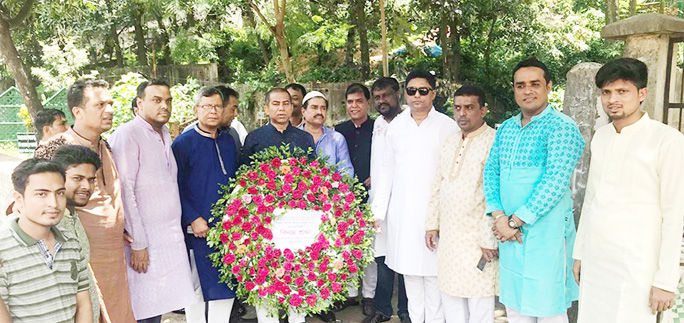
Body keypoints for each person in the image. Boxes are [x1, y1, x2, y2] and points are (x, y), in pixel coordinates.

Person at [572, 58, 684, 323]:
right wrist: (579, 254)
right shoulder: (602, 137)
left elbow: (674, 213)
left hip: (639, 265)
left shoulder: (667, 140)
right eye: (606, 92)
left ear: (642, 93)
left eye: (623, 91)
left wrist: (666, 281)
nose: (613, 99)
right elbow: (591, 201)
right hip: (597, 259)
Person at [483, 58, 584, 323]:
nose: (528, 91)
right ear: (514, 90)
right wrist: (499, 217)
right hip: (510, 235)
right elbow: (491, 173)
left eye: (535, 84)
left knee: (548, 309)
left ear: (549, 86)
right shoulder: (505, 129)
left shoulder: (562, 127)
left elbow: (555, 181)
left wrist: (515, 221)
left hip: (545, 235)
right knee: (515, 308)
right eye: (521, 85)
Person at [34, 78, 137, 322]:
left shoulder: (105, 146)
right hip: (79, 260)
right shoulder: (55, 148)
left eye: (110, 103)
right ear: (77, 112)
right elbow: (27, 198)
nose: (110, 110)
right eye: (100, 105)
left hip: (113, 258)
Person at [371, 70, 457, 323]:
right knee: (410, 277)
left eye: (423, 90)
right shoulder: (395, 127)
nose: (417, 96)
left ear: (433, 93)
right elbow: (386, 172)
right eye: (412, 91)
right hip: (402, 213)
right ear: (405, 94)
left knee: (434, 279)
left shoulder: (448, 126)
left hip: (435, 214)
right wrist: (378, 212)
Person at [110, 79, 196, 323]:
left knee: (160, 303)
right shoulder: (128, 133)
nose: (164, 106)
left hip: (167, 238)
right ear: (140, 103)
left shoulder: (165, 133)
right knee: (142, 307)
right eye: (156, 100)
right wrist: (138, 242)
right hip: (144, 241)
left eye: (168, 101)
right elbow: (125, 190)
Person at [425, 85, 498, 323]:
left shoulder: (494, 141)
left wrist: (489, 238)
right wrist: (431, 224)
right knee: (451, 299)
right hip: (450, 239)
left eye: (469, 108)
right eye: (457, 108)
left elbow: (494, 194)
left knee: (480, 303)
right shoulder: (450, 141)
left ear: (483, 110)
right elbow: (438, 184)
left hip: (477, 239)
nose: (462, 114)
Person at [172, 87, 238, 323]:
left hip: (228, 229)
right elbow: (174, 185)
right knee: (196, 286)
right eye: (207, 106)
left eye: (217, 106)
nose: (212, 111)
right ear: (196, 110)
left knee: (225, 285)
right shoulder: (183, 143)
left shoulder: (228, 141)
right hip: (198, 228)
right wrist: (192, 217)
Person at [0, 158, 92, 322]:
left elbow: (83, 303)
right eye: (41, 194)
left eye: (59, 193)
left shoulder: (70, 241)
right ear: (19, 199)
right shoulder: (3, 250)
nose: (54, 203)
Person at [364, 77, 409, 323]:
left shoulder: (409, 120)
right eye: (377, 97)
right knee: (381, 257)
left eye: (386, 95)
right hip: (379, 202)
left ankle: (405, 311)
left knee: (403, 258)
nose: (382, 101)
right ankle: (382, 310)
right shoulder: (378, 123)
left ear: (398, 94)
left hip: (403, 202)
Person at [52, 144, 109, 322]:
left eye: (91, 180)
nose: (87, 186)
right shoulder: (49, 225)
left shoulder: (72, 216)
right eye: (78, 178)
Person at [335, 83, 377, 315]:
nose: (354, 106)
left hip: (372, 196)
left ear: (367, 103)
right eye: (350, 102)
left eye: (359, 101)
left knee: (369, 249)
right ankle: (351, 292)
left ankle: (369, 295)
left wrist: (377, 175)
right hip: (345, 198)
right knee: (348, 247)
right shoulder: (339, 130)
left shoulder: (378, 128)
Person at [242, 88, 315, 164]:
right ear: (266, 109)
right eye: (276, 104)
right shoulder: (254, 137)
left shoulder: (305, 138)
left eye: (286, 104)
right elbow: (245, 171)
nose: (281, 108)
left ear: (291, 107)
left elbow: (313, 170)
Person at [299, 90, 354, 176]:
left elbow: (346, 171)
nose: (319, 112)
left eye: (323, 108)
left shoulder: (336, 138)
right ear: (303, 111)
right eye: (314, 107)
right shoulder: (292, 136)